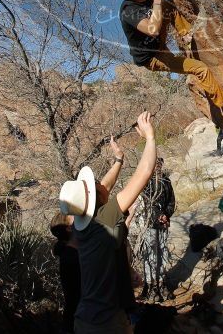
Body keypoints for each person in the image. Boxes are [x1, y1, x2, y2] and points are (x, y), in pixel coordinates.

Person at [59, 112, 159, 334]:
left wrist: (119, 160)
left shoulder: (80, 225)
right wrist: (150, 139)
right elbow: (143, 174)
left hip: (83, 320)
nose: (102, 184)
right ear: (96, 198)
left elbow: (102, 187)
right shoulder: (106, 217)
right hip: (107, 323)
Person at [50, 137, 126, 333]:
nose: (81, 215)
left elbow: (103, 189)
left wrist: (118, 160)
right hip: (90, 322)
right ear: (69, 229)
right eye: (73, 217)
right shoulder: (75, 254)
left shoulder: (78, 240)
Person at [137, 157, 175, 302]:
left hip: (163, 224)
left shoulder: (166, 181)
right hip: (149, 224)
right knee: (150, 255)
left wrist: (166, 214)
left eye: (159, 164)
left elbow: (171, 201)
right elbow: (146, 202)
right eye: (155, 164)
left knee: (163, 254)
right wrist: (158, 215)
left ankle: (162, 285)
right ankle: (150, 287)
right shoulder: (145, 182)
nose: (157, 167)